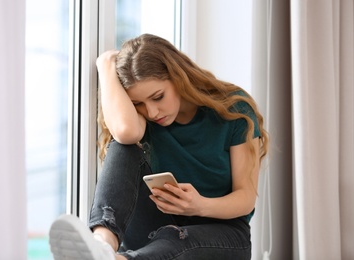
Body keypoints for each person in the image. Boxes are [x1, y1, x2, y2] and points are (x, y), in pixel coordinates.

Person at [49, 33, 269, 260]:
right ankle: (103, 244)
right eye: (138, 104)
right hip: (158, 231)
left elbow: (246, 197)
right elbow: (125, 132)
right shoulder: (145, 121)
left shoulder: (233, 109)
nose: (152, 112)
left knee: (174, 238)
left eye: (158, 97)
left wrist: (199, 205)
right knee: (124, 146)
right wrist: (105, 66)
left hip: (224, 236)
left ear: (178, 76)